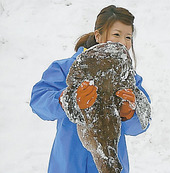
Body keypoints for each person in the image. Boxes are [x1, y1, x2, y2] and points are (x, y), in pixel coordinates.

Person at [30, 5, 151, 173]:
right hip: (68, 165)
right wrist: (67, 99)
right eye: (117, 34)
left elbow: (141, 123)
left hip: (110, 166)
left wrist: (128, 114)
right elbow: (38, 101)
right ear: (98, 35)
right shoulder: (66, 68)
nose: (123, 42)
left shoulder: (129, 78)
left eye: (128, 37)